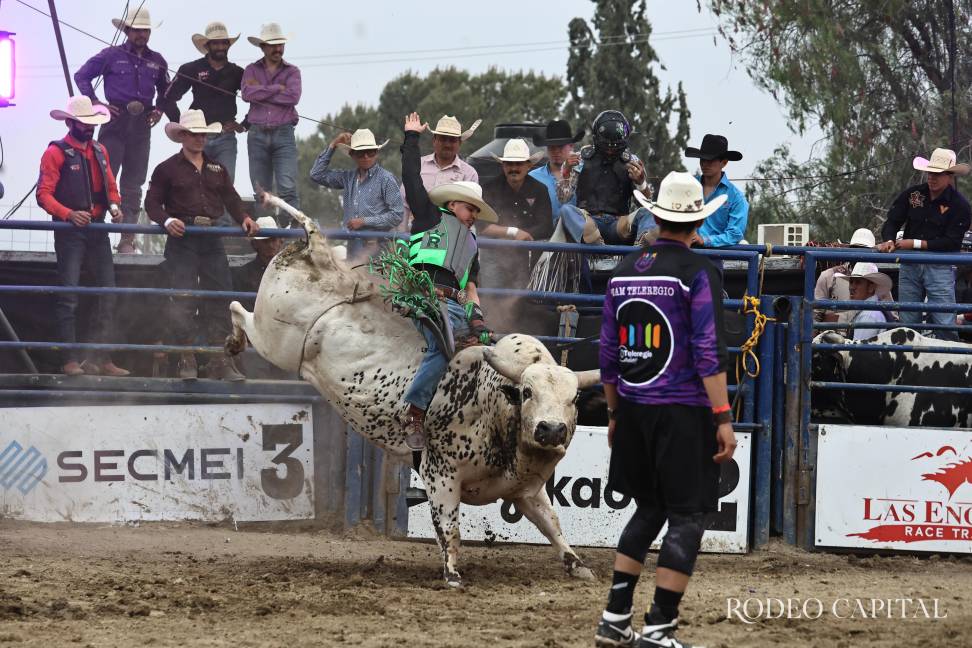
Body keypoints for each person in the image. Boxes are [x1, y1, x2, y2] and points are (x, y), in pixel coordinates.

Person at [594, 171, 736, 648]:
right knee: (688, 515)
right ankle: (660, 626)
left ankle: (615, 618)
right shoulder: (700, 272)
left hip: (633, 406)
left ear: (655, 215)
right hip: (683, 410)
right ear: (696, 222)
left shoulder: (624, 270)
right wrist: (723, 417)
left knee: (649, 507)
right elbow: (708, 351)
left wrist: (614, 414)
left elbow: (609, 353)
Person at [399, 112, 498, 451]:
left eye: (475, 211)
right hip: (423, 296)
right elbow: (412, 178)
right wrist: (411, 138)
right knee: (445, 343)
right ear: (453, 203)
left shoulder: (471, 245)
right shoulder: (427, 216)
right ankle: (415, 411)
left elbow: (470, 288)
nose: (473, 215)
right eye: (470, 209)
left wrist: (479, 319)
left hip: (453, 304)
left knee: (486, 350)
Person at [145, 110, 260, 381]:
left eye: (203, 134)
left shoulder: (217, 168)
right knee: (184, 297)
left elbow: (231, 198)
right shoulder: (166, 169)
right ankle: (188, 355)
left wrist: (244, 216)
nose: (200, 138)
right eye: (195, 134)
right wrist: (166, 220)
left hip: (209, 236)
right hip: (182, 237)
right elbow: (151, 203)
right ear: (182, 136)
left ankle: (219, 359)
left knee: (220, 297)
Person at [36, 96, 130, 377]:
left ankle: (99, 357)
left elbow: (111, 186)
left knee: (107, 292)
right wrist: (68, 214)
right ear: (70, 123)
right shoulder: (55, 152)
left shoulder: (100, 150)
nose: (89, 128)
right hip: (70, 231)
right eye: (83, 123)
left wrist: (115, 206)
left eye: (91, 123)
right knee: (70, 295)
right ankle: (70, 359)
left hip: (97, 227)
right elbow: (44, 194)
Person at [74, 5, 173, 254]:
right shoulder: (111, 55)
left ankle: (127, 238)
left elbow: (167, 91)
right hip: (115, 119)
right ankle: (95, 231)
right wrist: (96, 103)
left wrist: (159, 109)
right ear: (128, 30)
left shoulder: (157, 61)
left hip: (141, 124)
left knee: (133, 183)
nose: (142, 34)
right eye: (137, 30)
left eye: (145, 30)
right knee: (103, 177)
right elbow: (82, 76)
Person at [878, 147, 972, 340]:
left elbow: (951, 242)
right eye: (930, 172)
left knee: (944, 321)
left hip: (938, 265)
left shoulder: (959, 205)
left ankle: (947, 364)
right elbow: (893, 220)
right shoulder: (914, 195)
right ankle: (911, 362)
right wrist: (888, 240)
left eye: (938, 173)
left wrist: (913, 243)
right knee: (908, 319)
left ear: (949, 176)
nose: (932, 177)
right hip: (911, 263)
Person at [163, 22, 245, 183]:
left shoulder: (238, 72)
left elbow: (257, 99)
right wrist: (182, 126)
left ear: (228, 45)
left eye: (224, 42)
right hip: (197, 136)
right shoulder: (191, 69)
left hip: (226, 137)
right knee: (193, 183)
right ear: (207, 46)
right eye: (215, 43)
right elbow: (168, 98)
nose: (220, 46)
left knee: (225, 185)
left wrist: (244, 125)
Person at [558, 110, 655, 246]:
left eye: (615, 148)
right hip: (588, 221)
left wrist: (641, 183)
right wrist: (566, 172)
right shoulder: (580, 159)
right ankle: (597, 246)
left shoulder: (633, 162)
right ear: (596, 139)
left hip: (619, 224)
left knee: (647, 212)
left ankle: (640, 250)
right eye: (606, 147)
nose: (610, 151)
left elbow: (646, 203)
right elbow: (563, 199)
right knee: (566, 210)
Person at [309, 128, 404, 263]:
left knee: (373, 281)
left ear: (376, 153)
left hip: (378, 245)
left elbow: (397, 215)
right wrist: (333, 144)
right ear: (352, 155)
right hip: (353, 242)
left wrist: (364, 221)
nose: (366, 156)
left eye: (370, 152)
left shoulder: (386, 179)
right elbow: (316, 174)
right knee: (354, 281)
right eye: (361, 153)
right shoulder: (348, 178)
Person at [242, 23, 301, 221]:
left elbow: (293, 97)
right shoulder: (251, 69)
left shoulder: (292, 71)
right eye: (273, 45)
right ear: (263, 47)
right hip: (258, 133)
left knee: (287, 187)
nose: (278, 49)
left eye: (280, 44)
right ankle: (267, 238)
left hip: (282, 132)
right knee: (261, 190)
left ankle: (289, 237)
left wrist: (262, 92)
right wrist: (277, 88)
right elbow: (247, 94)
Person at [479, 138, 553, 291]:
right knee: (492, 294)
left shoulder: (539, 189)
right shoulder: (489, 188)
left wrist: (522, 237)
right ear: (503, 165)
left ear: (528, 165)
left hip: (528, 252)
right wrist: (514, 233)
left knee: (525, 297)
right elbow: (481, 225)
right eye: (509, 164)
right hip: (494, 252)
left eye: (518, 163)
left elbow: (546, 225)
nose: (514, 168)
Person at [399, 114, 481, 230]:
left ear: (459, 143)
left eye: (452, 140)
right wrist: (401, 238)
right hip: (417, 234)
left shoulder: (469, 173)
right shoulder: (419, 165)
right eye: (443, 139)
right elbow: (404, 204)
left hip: (453, 236)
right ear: (434, 140)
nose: (447, 144)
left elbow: (470, 212)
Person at [813, 228, 892, 324]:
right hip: (834, 335)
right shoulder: (828, 276)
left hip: (863, 331)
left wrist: (835, 318)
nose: (859, 253)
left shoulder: (878, 282)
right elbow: (815, 315)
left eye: (864, 250)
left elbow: (891, 316)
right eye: (855, 248)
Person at [685, 134, 749, 248]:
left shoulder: (736, 197)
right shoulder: (688, 187)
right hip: (685, 250)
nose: (705, 164)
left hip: (716, 255)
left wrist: (705, 240)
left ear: (724, 162)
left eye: (710, 160)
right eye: (702, 159)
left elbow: (735, 234)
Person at [530, 119, 583, 226]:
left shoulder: (585, 173)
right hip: (544, 237)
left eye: (561, 146)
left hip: (580, 237)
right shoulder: (533, 177)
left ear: (571, 146)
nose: (556, 151)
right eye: (551, 147)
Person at [834, 262, 894, 340]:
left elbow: (858, 351)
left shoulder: (868, 316)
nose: (852, 287)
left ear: (871, 287)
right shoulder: (873, 310)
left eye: (858, 282)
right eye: (851, 282)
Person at [232, 216, 284, 301]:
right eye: (265, 241)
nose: (270, 245)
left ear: (280, 242)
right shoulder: (242, 275)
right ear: (255, 244)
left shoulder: (289, 271)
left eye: (273, 240)